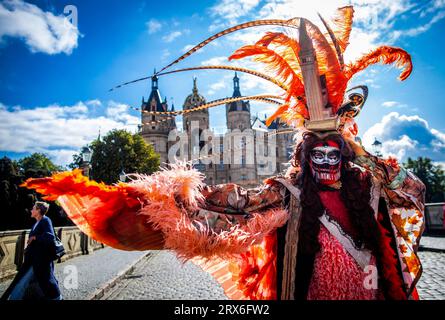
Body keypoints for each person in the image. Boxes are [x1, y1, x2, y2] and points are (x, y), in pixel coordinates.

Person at [21, 6, 425, 300]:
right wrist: (163, 202)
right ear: (303, 152)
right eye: (316, 151)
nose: (326, 160)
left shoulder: (367, 186)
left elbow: (411, 190)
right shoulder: (289, 191)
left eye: (334, 151)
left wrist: (358, 151)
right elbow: (232, 207)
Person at [1, 201, 62, 300]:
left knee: (29, 282)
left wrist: (34, 237)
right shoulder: (37, 222)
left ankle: (58, 298)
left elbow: (50, 237)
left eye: (33, 208)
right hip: (33, 260)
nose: (31, 210)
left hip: (41, 261)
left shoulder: (46, 220)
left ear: (38, 210)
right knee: (25, 282)